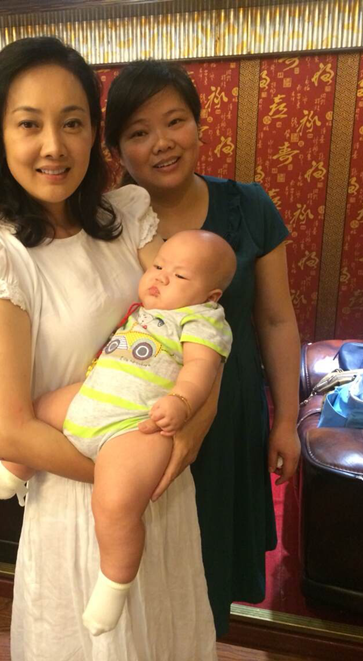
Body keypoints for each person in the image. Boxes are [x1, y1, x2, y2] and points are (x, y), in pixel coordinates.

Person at [0, 37, 220, 660]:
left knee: (167, 639)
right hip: (79, 506)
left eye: (72, 123)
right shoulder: (1, 261)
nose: (54, 146)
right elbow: (9, 431)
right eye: (29, 124)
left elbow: (196, 318)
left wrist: (194, 423)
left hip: (159, 488)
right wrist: (123, 478)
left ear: (93, 133)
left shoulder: (126, 220)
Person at [104, 59, 301, 637]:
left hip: (229, 411)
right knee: (137, 564)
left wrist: (285, 420)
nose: (162, 143)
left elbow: (275, 319)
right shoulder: (106, 220)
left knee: (210, 559)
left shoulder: (248, 205)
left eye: (175, 121)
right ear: (117, 148)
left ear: (197, 124)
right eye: (139, 132)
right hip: (134, 416)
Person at [0, 229, 236, 636]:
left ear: (210, 296)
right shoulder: (145, 309)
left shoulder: (201, 320)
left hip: (135, 424)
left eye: (179, 276)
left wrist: (181, 402)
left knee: (115, 503)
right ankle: (12, 473)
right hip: (90, 397)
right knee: (42, 409)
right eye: (159, 266)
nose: (160, 277)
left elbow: (201, 369)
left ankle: (114, 582)